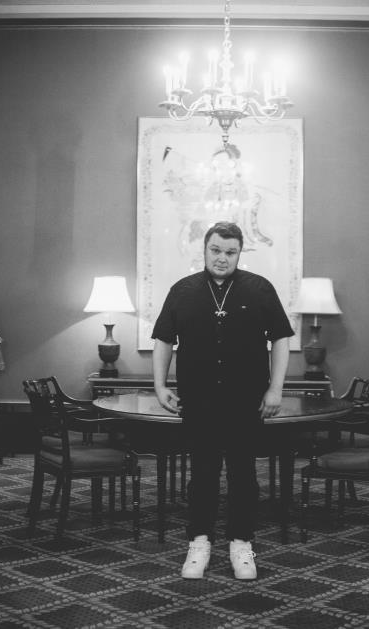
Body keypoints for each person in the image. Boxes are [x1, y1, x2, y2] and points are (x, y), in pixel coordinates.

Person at [152, 221, 294, 580]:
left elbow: (281, 338)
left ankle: (241, 543)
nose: (222, 258)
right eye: (215, 250)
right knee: (202, 473)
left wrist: (276, 388)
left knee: (244, 474)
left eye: (230, 252)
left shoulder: (260, 289)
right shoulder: (182, 290)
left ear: (239, 253)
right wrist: (160, 385)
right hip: (198, 400)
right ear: (204, 249)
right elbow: (164, 340)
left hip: (246, 400)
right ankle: (199, 542)